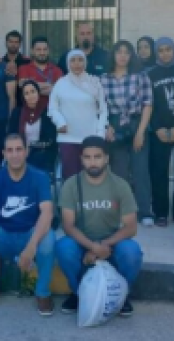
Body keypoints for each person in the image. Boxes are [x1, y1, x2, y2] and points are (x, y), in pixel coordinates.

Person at [0, 132, 56, 314]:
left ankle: (43, 293)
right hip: (3, 234)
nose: (15, 154)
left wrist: (32, 246)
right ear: (4, 154)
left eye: (19, 149)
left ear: (26, 152)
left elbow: (47, 212)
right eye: (10, 150)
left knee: (48, 238)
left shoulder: (39, 177)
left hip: (30, 233)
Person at [54, 136, 142, 317]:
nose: (92, 162)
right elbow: (68, 226)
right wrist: (92, 246)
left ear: (106, 158)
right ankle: (79, 293)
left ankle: (120, 293)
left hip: (112, 243)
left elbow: (131, 228)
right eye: (87, 157)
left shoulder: (120, 185)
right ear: (81, 159)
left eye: (97, 156)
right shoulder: (71, 185)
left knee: (132, 251)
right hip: (82, 244)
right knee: (63, 247)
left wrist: (102, 246)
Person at [100, 41, 153, 217]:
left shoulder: (140, 76)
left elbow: (147, 104)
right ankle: (121, 212)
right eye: (119, 52)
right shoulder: (103, 79)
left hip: (137, 123)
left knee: (141, 171)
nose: (122, 56)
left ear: (131, 56)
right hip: (114, 125)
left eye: (127, 52)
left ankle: (144, 212)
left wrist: (140, 132)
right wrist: (107, 127)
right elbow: (100, 107)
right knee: (118, 171)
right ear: (113, 55)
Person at [145, 37, 174, 227]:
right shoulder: (150, 74)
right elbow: (148, 104)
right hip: (159, 131)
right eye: (161, 50)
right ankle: (160, 212)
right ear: (157, 52)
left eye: (168, 49)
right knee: (159, 173)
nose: (165, 54)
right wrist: (157, 128)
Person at [49, 49, 107, 181]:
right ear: (68, 63)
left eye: (80, 60)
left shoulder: (94, 82)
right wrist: (60, 122)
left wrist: (100, 134)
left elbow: (103, 110)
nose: (77, 64)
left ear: (85, 62)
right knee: (70, 180)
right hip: (67, 139)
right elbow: (53, 108)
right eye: (73, 60)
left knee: (92, 177)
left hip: (91, 139)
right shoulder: (61, 83)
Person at [9, 80, 58, 177]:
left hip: (42, 152)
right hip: (21, 151)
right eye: (26, 93)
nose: (30, 96)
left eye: (33, 91)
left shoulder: (48, 113)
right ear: (23, 97)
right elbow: (11, 135)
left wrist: (33, 146)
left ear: (38, 93)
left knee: (36, 158)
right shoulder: (17, 113)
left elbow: (51, 138)